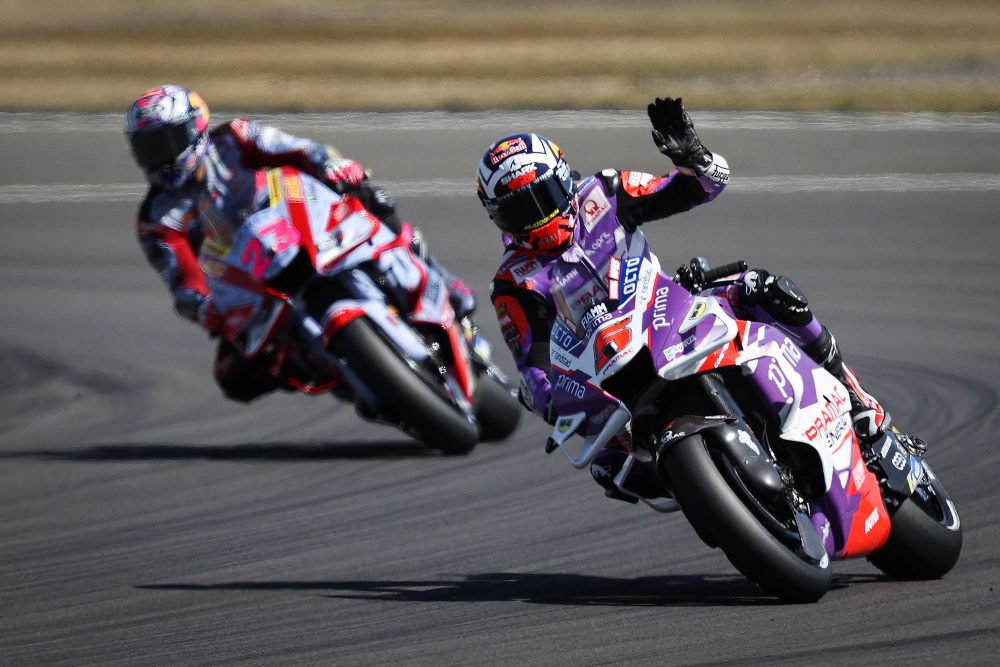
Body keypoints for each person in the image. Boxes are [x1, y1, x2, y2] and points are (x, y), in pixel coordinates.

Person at [476, 97, 911, 502]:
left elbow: (696, 189)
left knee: (763, 289)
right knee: (610, 470)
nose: (538, 216)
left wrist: (692, 157)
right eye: (520, 210)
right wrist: (549, 399)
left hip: (670, 310)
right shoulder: (513, 281)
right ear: (499, 217)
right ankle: (714, 494)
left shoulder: (603, 194)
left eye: (543, 199)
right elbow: (531, 363)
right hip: (609, 373)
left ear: (563, 178)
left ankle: (857, 401)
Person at [126, 84, 474, 402]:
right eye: (147, 148)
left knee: (374, 200)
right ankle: (336, 372)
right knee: (232, 376)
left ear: (194, 128)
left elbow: (299, 150)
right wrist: (203, 306)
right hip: (252, 285)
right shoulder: (157, 219)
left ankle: (440, 280)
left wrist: (333, 166)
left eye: (166, 142)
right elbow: (182, 281)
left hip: (303, 227)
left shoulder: (233, 139)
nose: (159, 157)